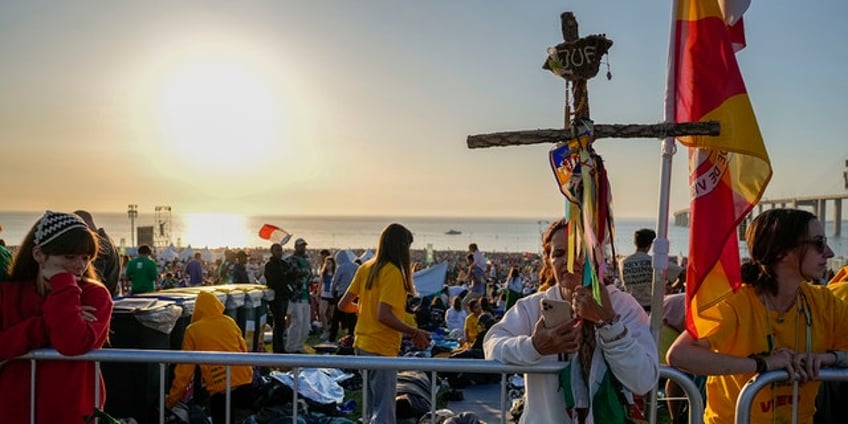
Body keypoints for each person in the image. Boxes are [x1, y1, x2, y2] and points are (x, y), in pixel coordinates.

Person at [667, 208, 848, 424]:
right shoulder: (736, 303)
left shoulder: (824, 302)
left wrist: (827, 359)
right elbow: (679, 355)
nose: (829, 252)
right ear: (783, 252)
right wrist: (763, 365)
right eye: (818, 243)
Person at [484, 218, 658, 424]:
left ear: (595, 255)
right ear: (548, 261)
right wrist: (534, 346)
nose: (568, 261)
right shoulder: (533, 307)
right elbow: (492, 345)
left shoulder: (622, 305)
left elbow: (643, 380)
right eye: (558, 254)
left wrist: (607, 322)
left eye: (578, 251)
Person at [0, 211, 113, 423]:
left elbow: (71, 343)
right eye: (69, 257)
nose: (80, 265)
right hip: (14, 411)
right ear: (38, 255)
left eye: (86, 258)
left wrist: (63, 283)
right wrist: (45, 325)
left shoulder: (95, 295)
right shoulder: (8, 295)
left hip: (71, 412)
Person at [338, 223, 431, 423]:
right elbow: (384, 315)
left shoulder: (366, 267)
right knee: (384, 410)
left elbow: (344, 304)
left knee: (372, 406)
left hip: (361, 344)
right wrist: (413, 331)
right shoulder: (393, 272)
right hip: (381, 347)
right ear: (402, 247)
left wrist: (364, 311)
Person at [166, 291, 254, 424]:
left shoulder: (192, 330)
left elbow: (184, 370)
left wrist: (171, 401)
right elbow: (243, 349)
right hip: (244, 382)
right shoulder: (229, 321)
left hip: (220, 387)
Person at [74, 210, 122, 296]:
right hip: (110, 296)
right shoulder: (108, 241)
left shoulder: (99, 245)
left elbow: (96, 277)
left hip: (100, 299)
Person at [285, 238, 313, 353]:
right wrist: (301, 274)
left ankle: (300, 346)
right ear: (296, 247)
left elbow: (310, 276)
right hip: (296, 296)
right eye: (301, 246)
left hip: (306, 295)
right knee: (297, 322)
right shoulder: (290, 260)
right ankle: (291, 346)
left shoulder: (306, 262)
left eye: (304, 246)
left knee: (306, 324)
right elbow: (289, 275)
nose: (303, 248)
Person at [617, 228, 656, 311]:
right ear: (649, 245)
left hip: (630, 306)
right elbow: (681, 272)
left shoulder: (623, 262)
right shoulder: (653, 261)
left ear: (635, 243)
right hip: (650, 306)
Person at [263, 243, 291, 353]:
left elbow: (289, 276)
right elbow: (273, 280)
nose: (279, 252)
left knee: (281, 323)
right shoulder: (269, 265)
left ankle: (280, 347)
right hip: (276, 297)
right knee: (278, 322)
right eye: (277, 250)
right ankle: (277, 348)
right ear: (272, 251)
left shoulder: (284, 264)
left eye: (280, 250)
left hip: (284, 296)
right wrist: (283, 279)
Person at [328, 249, 359, 342]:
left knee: (336, 318)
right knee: (352, 318)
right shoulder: (356, 266)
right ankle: (352, 336)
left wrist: (332, 292)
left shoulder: (340, 267)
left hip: (342, 295)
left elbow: (335, 281)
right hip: (355, 295)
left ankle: (332, 338)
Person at [318, 255, 336, 337]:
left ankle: (332, 329)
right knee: (322, 312)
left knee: (332, 314)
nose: (327, 265)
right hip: (324, 294)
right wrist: (318, 293)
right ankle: (325, 330)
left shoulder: (335, 273)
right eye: (326, 263)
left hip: (332, 295)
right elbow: (320, 283)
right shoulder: (323, 273)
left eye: (329, 263)